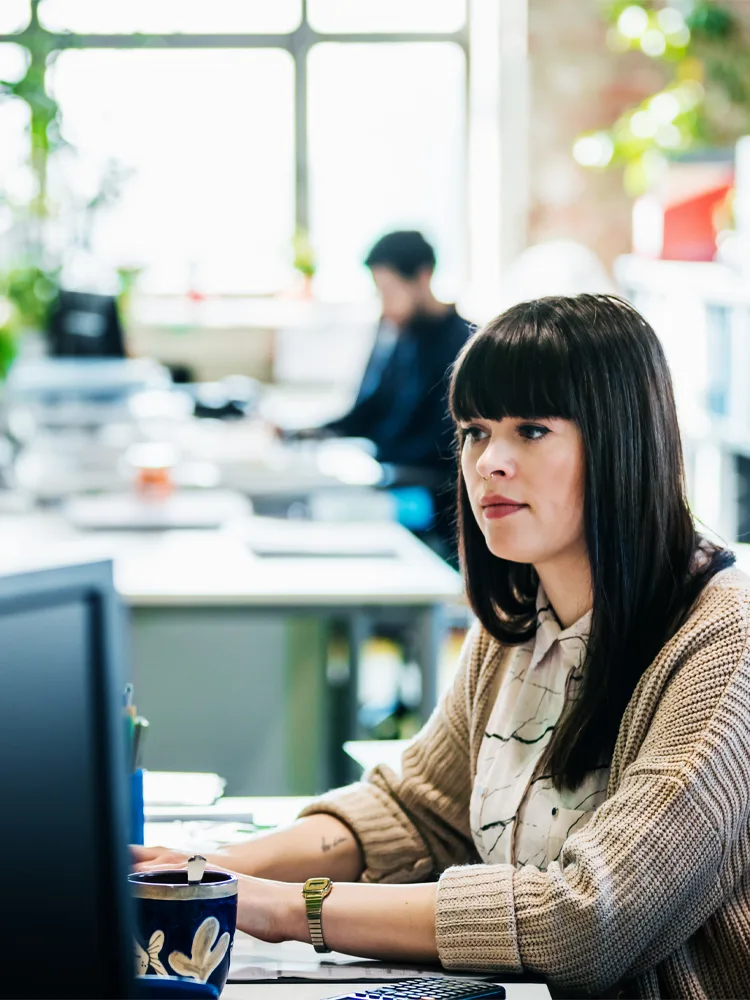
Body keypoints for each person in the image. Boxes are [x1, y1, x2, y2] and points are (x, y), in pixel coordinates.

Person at [134, 295, 750, 999]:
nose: (490, 461)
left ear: (622, 441)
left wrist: (280, 908)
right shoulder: (524, 619)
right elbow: (418, 811)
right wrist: (203, 868)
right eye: (475, 432)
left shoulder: (723, 648)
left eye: (531, 430)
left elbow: (588, 919)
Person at [285, 230, 472, 557]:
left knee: (320, 517)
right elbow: (368, 412)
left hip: (427, 496)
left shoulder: (464, 346)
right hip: (387, 478)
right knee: (302, 507)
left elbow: (444, 447)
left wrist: (380, 471)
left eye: (388, 291)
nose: (383, 304)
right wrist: (310, 431)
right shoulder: (398, 337)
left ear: (423, 276)